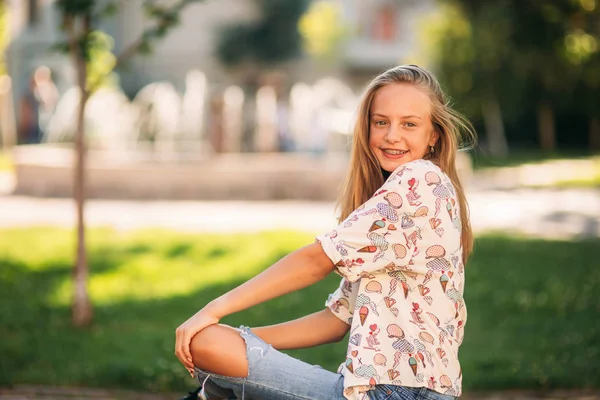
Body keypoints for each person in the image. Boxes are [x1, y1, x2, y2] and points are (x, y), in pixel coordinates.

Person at [174, 65, 476, 400]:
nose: (392, 135)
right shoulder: (397, 209)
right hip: (388, 390)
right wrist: (244, 341)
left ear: (433, 135)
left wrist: (215, 310)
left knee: (207, 342)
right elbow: (335, 320)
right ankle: (217, 391)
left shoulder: (420, 180)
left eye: (409, 124)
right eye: (381, 122)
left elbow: (316, 260)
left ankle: (215, 392)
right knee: (217, 345)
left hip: (395, 393)